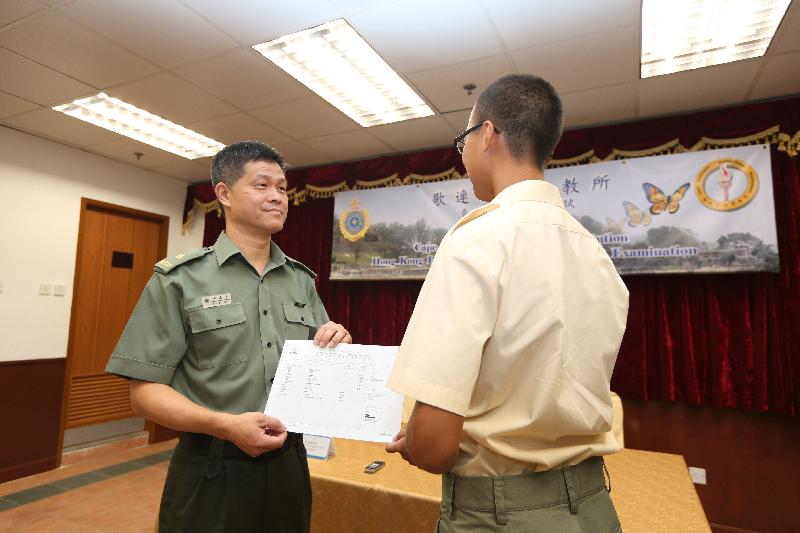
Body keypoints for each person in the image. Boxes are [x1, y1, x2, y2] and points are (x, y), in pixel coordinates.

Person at [385, 74, 629, 532]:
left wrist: (416, 443)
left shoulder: (475, 240)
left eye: (463, 139)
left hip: (500, 516)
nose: (461, 156)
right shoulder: (596, 253)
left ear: (488, 135)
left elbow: (435, 447)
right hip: (594, 508)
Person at [106, 141, 351, 533]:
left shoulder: (301, 280)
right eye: (261, 185)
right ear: (223, 194)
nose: (277, 197)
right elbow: (144, 393)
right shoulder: (181, 278)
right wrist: (224, 425)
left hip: (290, 465)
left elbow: (319, 369)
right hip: (211, 466)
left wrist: (339, 346)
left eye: (282, 188)